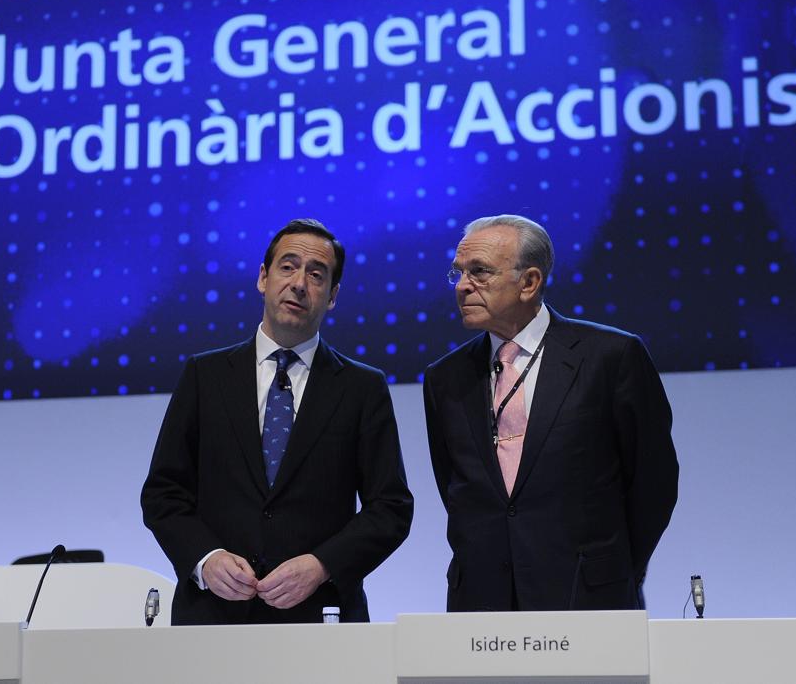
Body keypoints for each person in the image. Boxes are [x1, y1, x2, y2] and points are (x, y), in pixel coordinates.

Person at [142, 219, 414, 625]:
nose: (300, 283)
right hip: (213, 617)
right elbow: (164, 492)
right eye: (287, 267)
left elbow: (391, 508)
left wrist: (323, 565)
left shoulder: (362, 387)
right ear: (263, 278)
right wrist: (206, 558)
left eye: (316, 274)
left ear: (333, 296)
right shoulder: (205, 375)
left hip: (321, 617)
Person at [423, 214, 678, 611]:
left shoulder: (611, 357)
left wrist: (616, 567)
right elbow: (457, 491)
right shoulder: (445, 378)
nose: (462, 287)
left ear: (529, 282)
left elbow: (653, 484)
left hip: (588, 597)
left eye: (479, 272)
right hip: (482, 603)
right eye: (457, 273)